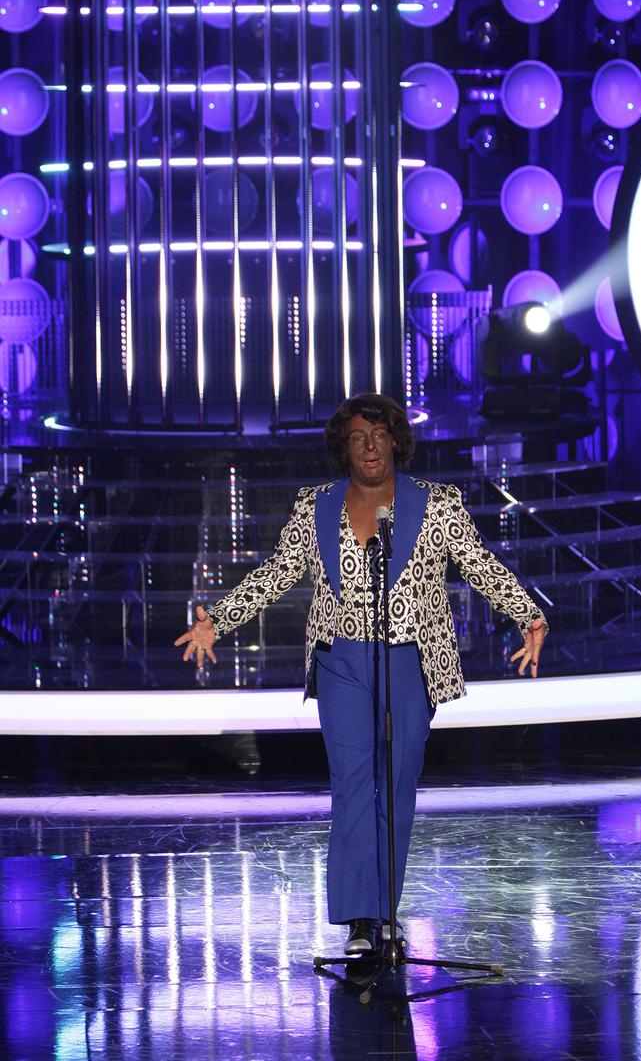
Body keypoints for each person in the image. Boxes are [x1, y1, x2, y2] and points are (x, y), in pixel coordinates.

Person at [174, 393, 548, 955]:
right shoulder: (316, 506)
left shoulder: (437, 504)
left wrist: (528, 615)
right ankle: (359, 919)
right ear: (343, 448)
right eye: (357, 438)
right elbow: (277, 573)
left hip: (410, 661)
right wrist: (219, 620)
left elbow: (479, 564)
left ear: (396, 441)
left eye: (378, 435)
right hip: (341, 661)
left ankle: (385, 910)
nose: (370, 447)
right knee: (352, 785)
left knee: (395, 785)